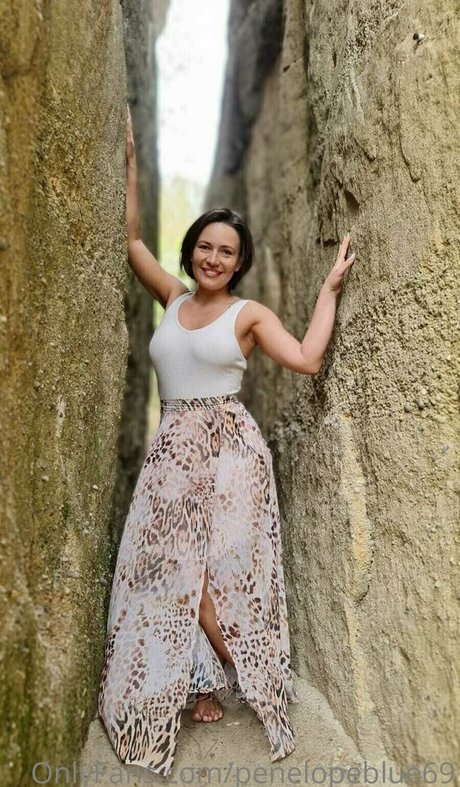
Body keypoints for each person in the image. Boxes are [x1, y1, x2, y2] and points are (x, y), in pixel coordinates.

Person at [97, 105, 357, 777]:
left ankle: (248, 673)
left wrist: (329, 288)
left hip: (229, 450)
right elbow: (131, 241)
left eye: (227, 252)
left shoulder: (248, 315)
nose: (214, 258)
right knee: (170, 568)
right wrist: (130, 162)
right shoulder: (173, 298)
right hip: (170, 454)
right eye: (206, 247)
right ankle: (204, 681)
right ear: (192, 251)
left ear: (239, 264)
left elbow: (305, 358)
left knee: (213, 571)